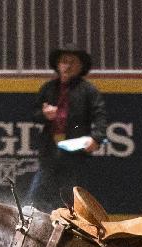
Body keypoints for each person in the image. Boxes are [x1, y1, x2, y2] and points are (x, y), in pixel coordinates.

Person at [27, 43, 107, 212]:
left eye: (73, 62)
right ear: (57, 65)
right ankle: (30, 220)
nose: (67, 65)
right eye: (64, 61)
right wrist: (44, 114)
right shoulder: (48, 89)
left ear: (80, 66)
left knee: (73, 193)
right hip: (49, 150)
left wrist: (97, 137)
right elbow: (33, 114)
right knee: (37, 192)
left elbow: (100, 115)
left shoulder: (88, 91)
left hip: (75, 153)